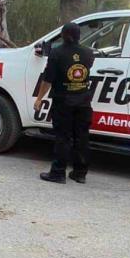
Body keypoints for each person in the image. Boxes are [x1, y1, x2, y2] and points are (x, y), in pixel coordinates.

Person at [34, 22, 95, 184]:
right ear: (78, 36)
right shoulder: (89, 53)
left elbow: (48, 79)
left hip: (63, 102)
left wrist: (39, 99)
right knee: (81, 137)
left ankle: (58, 172)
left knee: (63, 137)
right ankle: (80, 173)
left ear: (64, 35)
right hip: (83, 101)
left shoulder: (57, 53)